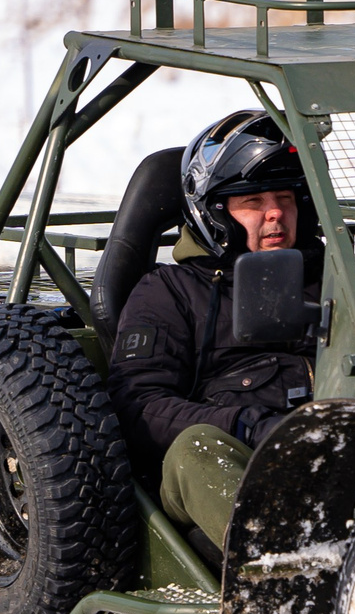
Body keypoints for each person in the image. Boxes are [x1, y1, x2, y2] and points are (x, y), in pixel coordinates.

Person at [107, 110, 321, 561]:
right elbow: (140, 405)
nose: (275, 213)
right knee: (195, 448)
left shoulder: (336, 279)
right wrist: (246, 425)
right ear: (215, 214)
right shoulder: (169, 292)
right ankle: (287, 571)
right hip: (230, 465)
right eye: (254, 202)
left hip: (328, 445)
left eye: (285, 198)